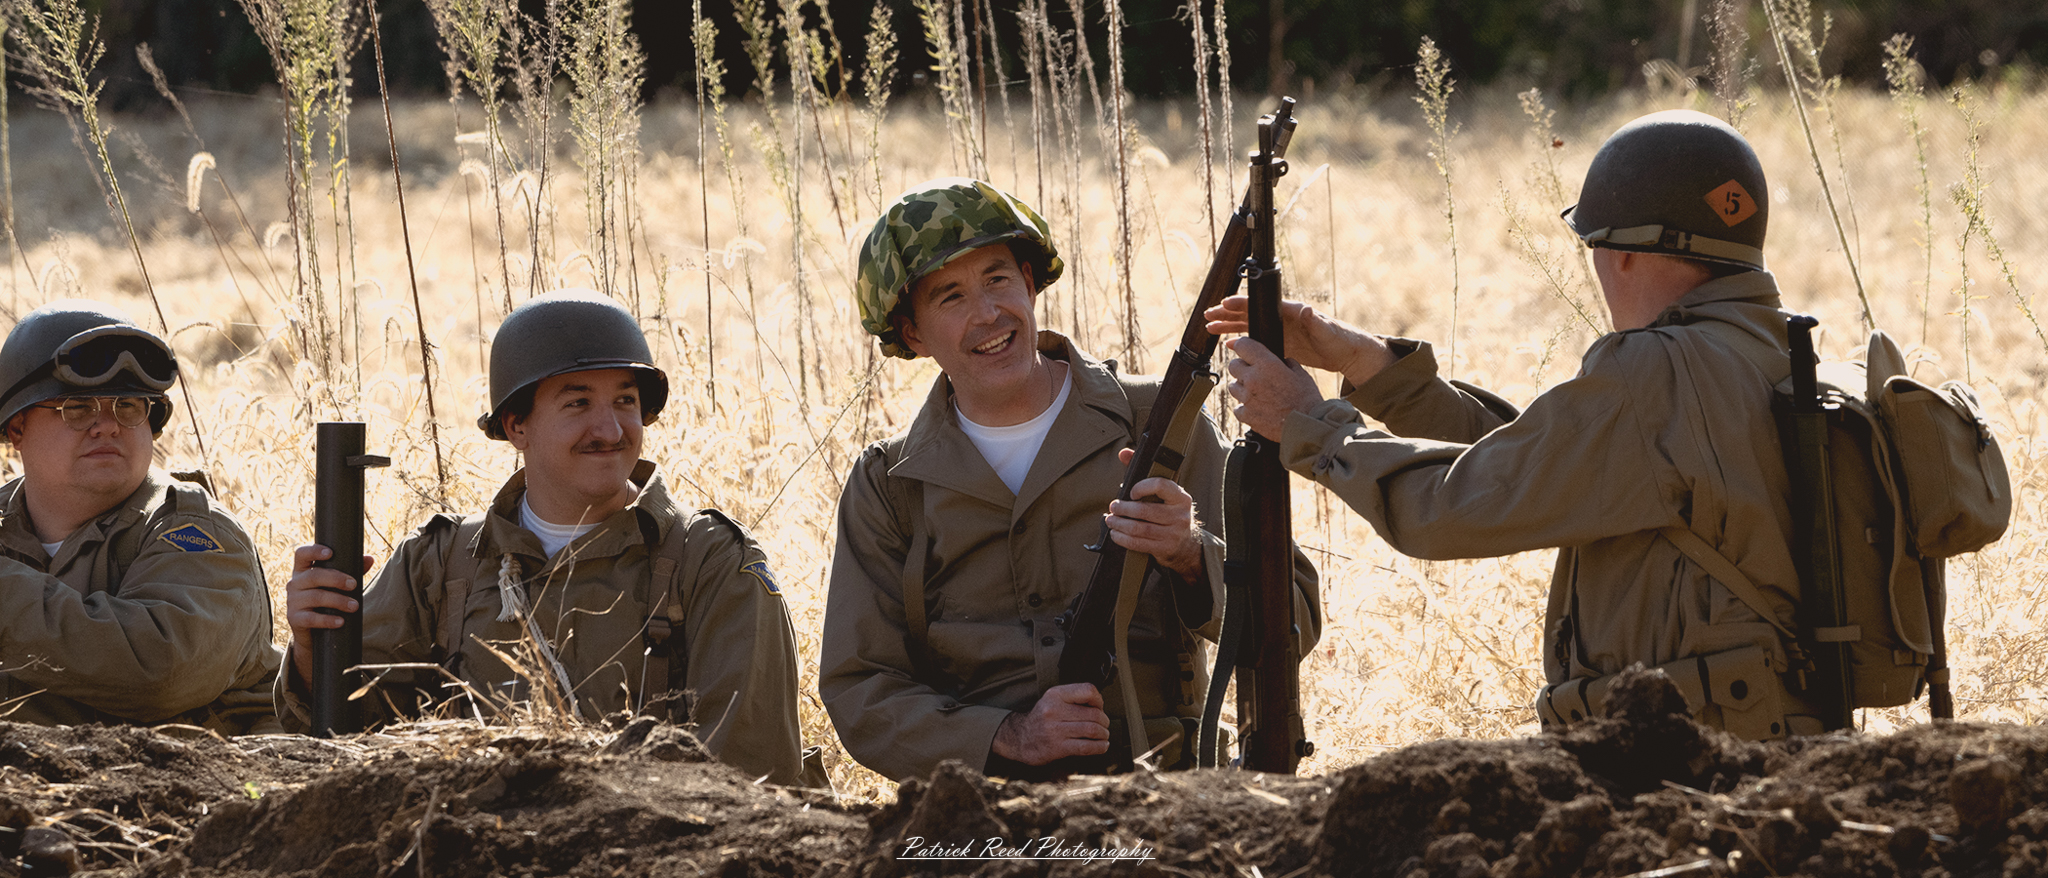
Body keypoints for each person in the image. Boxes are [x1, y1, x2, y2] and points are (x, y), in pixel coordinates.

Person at [1214, 109, 1822, 740]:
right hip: (1777, 741)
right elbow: (1534, 462)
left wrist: (1310, 425)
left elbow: (1451, 507)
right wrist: (1366, 364)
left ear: (1622, 255)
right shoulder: (1768, 352)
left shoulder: (1659, 373)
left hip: (1689, 761)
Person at [822, 178, 1321, 781]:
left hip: (1165, 796)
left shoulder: (1161, 427)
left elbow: (1296, 618)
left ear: (1030, 285)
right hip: (983, 813)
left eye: (998, 279)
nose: (987, 314)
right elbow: (862, 689)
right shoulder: (890, 485)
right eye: (950, 296)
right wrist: (1009, 736)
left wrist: (1190, 555)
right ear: (913, 334)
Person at [278, 290, 811, 784]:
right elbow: (349, 741)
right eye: (577, 404)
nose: (609, 430)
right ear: (516, 426)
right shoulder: (442, 565)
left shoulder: (710, 563)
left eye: (625, 401)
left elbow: (750, 780)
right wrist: (311, 646)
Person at [0, 301, 280, 732]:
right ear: (17, 427)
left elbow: (160, 672)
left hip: (202, 790)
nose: (108, 425)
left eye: (129, 406)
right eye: (77, 407)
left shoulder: (194, 531)